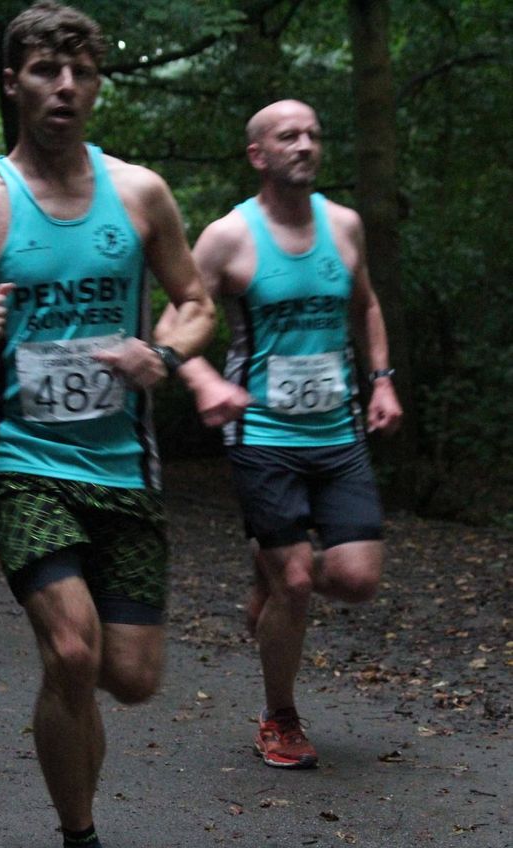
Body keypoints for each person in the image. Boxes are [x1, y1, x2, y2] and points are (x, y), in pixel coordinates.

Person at [0, 4, 216, 846]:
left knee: (130, 677)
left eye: (81, 72)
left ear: (97, 85)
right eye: (46, 70)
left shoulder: (140, 193)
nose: (65, 86)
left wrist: (161, 352)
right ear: (14, 82)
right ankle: (79, 834)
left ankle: (73, 735)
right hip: (21, 462)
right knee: (72, 653)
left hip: (124, 466)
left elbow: (196, 303)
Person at [165, 99, 403, 769]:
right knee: (296, 580)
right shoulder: (226, 238)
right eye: (288, 136)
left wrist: (382, 381)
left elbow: (366, 305)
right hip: (262, 433)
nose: (304, 145)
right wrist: (203, 380)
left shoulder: (344, 226)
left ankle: (270, 570)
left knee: (356, 580)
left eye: (313, 135)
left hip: (337, 431)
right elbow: (174, 322)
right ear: (258, 155)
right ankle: (279, 716)